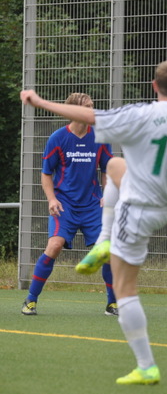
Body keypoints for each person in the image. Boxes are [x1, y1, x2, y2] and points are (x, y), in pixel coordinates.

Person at [20, 59, 167, 385]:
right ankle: (103, 240)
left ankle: (146, 365)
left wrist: (39, 101)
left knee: (126, 289)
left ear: (154, 87)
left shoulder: (141, 114)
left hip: (138, 206)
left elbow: (89, 116)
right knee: (115, 165)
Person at [21, 93, 116, 317]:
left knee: (107, 252)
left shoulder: (100, 136)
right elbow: (46, 174)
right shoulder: (57, 138)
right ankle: (31, 300)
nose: (93, 111)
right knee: (54, 246)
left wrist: (108, 194)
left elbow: (107, 170)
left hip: (92, 206)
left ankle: (112, 304)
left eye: (94, 106)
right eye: (88, 107)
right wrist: (52, 199)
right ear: (74, 111)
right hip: (65, 206)